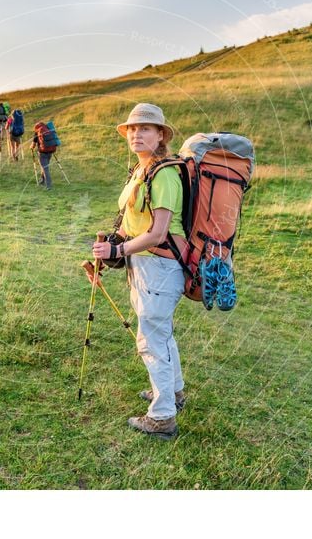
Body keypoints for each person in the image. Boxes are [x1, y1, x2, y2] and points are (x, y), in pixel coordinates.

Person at [91, 103, 185, 440]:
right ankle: (174, 393)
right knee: (161, 332)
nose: (136, 134)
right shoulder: (141, 169)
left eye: (145, 128)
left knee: (151, 340)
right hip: (146, 264)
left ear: (160, 135)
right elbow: (135, 223)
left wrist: (118, 250)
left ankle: (162, 417)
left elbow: (158, 233)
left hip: (160, 265)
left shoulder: (165, 174)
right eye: (132, 129)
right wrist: (113, 251)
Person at [31, 122, 54, 191]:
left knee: (45, 168)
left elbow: (33, 145)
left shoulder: (37, 133)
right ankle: (42, 180)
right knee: (44, 167)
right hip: (50, 151)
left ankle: (49, 185)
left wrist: (31, 147)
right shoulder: (48, 129)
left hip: (42, 152)